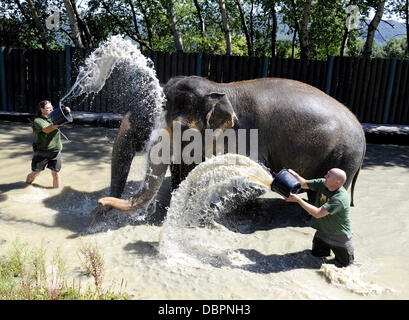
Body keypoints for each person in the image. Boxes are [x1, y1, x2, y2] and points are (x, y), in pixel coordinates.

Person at [284, 168, 354, 267]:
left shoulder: (340, 198)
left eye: (328, 175)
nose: (325, 176)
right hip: (322, 234)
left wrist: (298, 200)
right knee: (316, 259)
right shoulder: (323, 183)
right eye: (327, 173)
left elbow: (318, 213)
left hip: (340, 239)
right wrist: (294, 174)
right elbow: (303, 184)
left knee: (346, 267)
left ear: (337, 182)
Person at [26, 100, 70, 189]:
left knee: (56, 173)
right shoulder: (38, 120)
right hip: (42, 151)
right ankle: (25, 185)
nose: (51, 109)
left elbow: (64, 115)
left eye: (51, 107)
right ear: (42, 109)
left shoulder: (54, 116)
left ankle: (57, 195)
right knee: (35, 173)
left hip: (56, 150)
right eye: (48, 108)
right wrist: (56, 125)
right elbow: (46, 129)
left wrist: (66, 111)